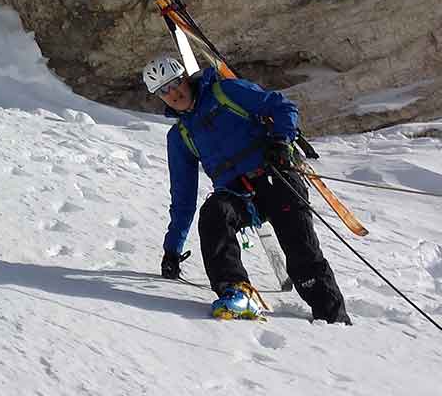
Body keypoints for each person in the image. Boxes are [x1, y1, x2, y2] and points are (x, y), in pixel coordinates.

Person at [143, 54, 350, 324]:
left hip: (276, 175)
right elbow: (183, 198)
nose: (172, 93)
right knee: (214, 213)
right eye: (163, 91)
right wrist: (172, 249)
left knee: (301, 251)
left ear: (184, 78)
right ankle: (236, 292)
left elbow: (282, 107)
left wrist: (280, 140)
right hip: (239, 195)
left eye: (173, 83)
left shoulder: (224, 91)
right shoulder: (180, 136)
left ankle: (332, 317)